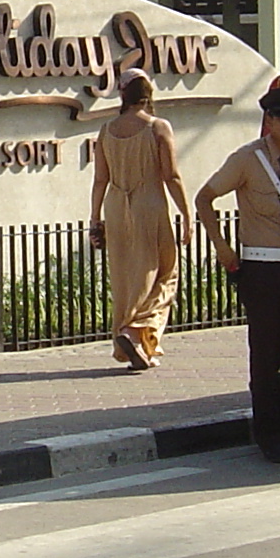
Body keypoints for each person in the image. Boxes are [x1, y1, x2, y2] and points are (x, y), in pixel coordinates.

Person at [196, 78, 280, 463]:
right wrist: (224, 250)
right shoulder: (248, 159)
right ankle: (269, 433)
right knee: (267, 355)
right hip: (263, 268)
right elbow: (204, 198)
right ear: (268, 120)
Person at [89, 71, 188, 370]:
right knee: (165, 273)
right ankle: (135, 331)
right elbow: (171, 175)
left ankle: (136, 344)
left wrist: (95, 219)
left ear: (122, 94)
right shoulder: (158, 127)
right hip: (149, 203)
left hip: (116, 206)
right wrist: (187, 213)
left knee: (126, 278)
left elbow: (99, 180)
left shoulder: (106, 130)